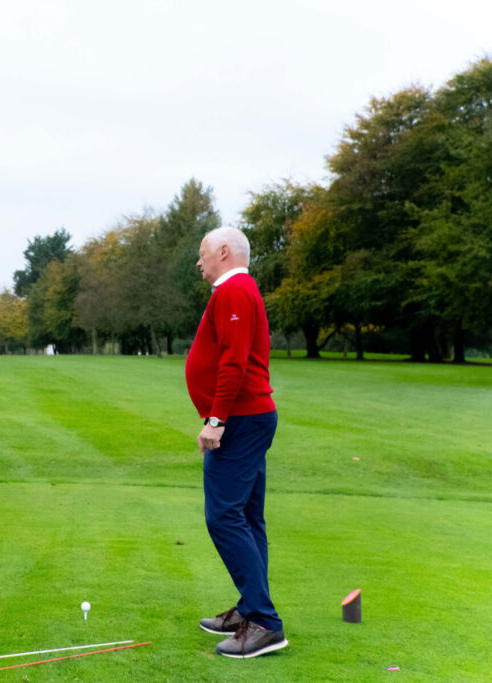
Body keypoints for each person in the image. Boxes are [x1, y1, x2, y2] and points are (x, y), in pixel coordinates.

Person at [185, 227, 288, 658]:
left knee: (224, 517)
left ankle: (264, 622)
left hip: (240, 421)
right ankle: (251, 608)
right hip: (248, 418)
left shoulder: (234, 290)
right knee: (246, 516)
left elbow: (234, 362)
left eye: (203, 252)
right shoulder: (236, 290)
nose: (199, 261)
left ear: (224, 252)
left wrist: (215, 419)